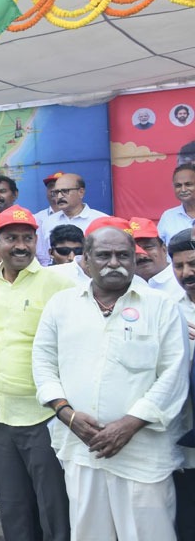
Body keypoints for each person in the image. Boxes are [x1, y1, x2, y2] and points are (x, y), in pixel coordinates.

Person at [33, 224, 188, 540]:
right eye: (104, 255)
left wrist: (129, 425)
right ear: (86, 260)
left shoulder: (161, 306)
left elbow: (174, 374)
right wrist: (67, 415)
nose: (114, 263)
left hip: (143, 453)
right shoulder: (62, 305)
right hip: (81, 449)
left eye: (123, 255)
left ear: (134, 259)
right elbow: (43, 363)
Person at [0, 206, 74, 541]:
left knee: (53, 508)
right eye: (11, 238)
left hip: (44, 415)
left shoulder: (58, 283)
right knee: (12, 507)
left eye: (27, 238)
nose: (20, 245)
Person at [168, 228, 195, 540]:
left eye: (193, 264)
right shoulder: (168, 308)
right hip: (183, 439)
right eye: (179, 266)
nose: (186, 273)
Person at [36, 173, 106, 267]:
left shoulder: (101, 220)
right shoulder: (48, 222)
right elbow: (45, 258)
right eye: (56, 192)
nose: (59, 196)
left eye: (65, 191)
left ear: (81, 192)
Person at [130, 217, 185, 295]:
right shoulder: (124, 285)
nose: (142, 255)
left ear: (164, 249)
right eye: (135, 249)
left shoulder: (184, 279)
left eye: (148, 247)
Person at [158, 163, 195, 245]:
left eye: (188, 184)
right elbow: (159, 247)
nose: (183, 189)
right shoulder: (168, 216)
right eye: (178, 186)